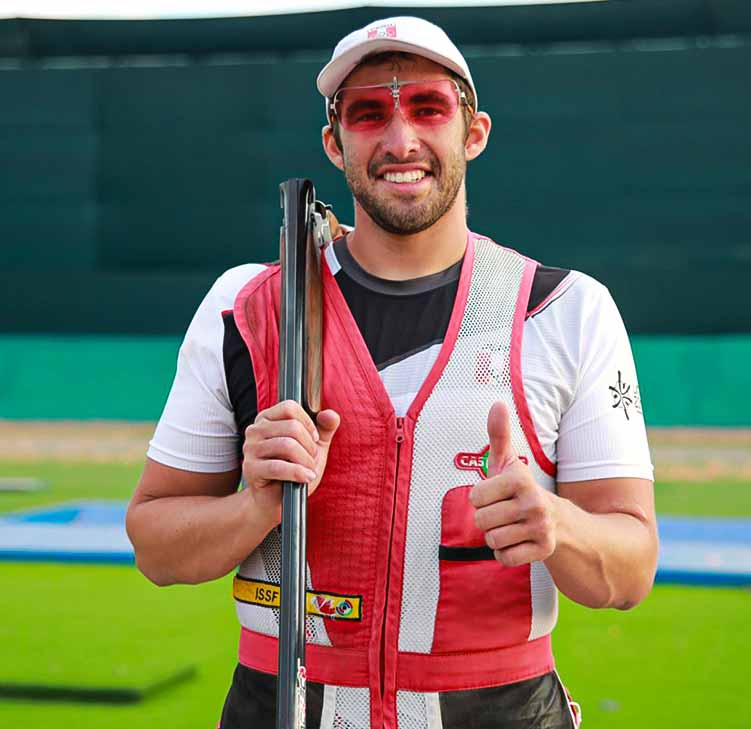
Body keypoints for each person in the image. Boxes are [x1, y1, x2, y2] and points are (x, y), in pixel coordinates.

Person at [127, 16, 657, 729]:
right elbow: (156, 545)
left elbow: (630, 571)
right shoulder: (248, 308)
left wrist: (556, 523)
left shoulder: (561, 310)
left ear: (474, 132)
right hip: (280, 704)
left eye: (428, 107)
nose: (401, 139)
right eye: (369, 112)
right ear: (334, 143)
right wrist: (255, 506)